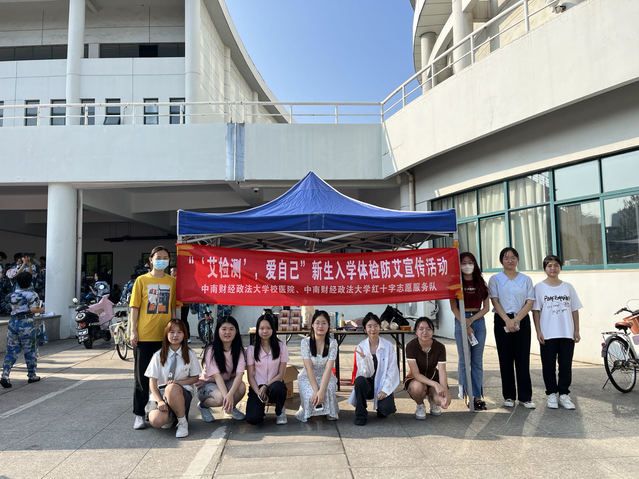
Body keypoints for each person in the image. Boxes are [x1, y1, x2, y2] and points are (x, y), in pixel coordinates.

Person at [130, 246, 179, 430]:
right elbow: (134, 308)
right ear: (151, 259)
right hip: (144, 337)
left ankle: (164, 412)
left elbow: (173, 307)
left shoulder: (171, 281)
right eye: (158, 257)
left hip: (165, 337)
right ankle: (139, 414)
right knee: (142, 377)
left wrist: (176, 331)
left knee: (165, 377)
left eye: (165, 257)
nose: (162, 260)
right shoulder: (141, 280)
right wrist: (133, 331)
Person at [489, 246, 536, 409]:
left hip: (521, 319)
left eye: (513, 257)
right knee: (505, 359)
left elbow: (530, 302)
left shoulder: (525, 279)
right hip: (502, 319)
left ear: (518, 260)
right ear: (501, 261)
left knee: (523, 358)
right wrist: (507, 320)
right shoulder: (495, 279)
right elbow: (495, 300)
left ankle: (525, 397)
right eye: (506, 257)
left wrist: (516, 319)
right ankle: (508, 396)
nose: (510, 260)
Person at [532, 255, 582, 410]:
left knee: (565, 365)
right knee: (548, 365)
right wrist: (538, 331)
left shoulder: (568, 287)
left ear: (560, 268)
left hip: (567, 332)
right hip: (547, 333)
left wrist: (576, 330)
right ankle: (551, 394)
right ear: (545, 268)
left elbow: (574, 309)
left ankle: (564, 394)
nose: (553, 268)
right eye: (549, 266)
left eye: (556, 265)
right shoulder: (539, 288)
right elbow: (536, 311)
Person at [145, 319, 201, 438]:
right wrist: (160, 401)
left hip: (181, 392)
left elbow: (195, 378)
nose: (175, 335)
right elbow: (152, 383)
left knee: (171, 388)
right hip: (161, 393)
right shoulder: (158, 355)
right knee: (156, 421)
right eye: (172, 332)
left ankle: (182, 423)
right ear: (166, 334)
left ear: (184, 334)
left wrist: (178, 383)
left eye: (179, 332)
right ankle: (171, 417)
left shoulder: (190, 354)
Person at [449, 252, 490, 411]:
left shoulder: (481, 282)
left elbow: (486, 308)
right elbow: (453, 307)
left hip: (478, 320)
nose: (467, 265)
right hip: (461, 318)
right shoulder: (455, 283)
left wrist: (471, 321)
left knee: (477, 360)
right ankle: (467, 393)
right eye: (464, 262)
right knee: (464, 360)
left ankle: (477, 395)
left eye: (470, 262)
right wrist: (464, 323)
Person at [348, 312, 399, 425]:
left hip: (382, 384)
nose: (373, 329)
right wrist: (365, 359)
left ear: (380, 327)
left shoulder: (388, 346)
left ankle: (384, 404)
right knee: (359, 381)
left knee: (385, 410)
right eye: (369, 326)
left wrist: (385, 390)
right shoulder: (361, 347)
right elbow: (364, 373)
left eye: (376, 326)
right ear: (365, 329)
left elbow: (392, 370)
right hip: (368, 385)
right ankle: (361, 414)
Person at [197, 315, 247, 422]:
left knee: (241, 387)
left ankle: (231, 407)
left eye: (231, 329)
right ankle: (203, 406)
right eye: (224, 329)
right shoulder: (211, 350)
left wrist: (230, 395)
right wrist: (226, 396)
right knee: (220, 398)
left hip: (226, 382)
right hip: (207, 385)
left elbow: (239, 375)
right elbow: (217, 376)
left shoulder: (239, 350)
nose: (227, 332)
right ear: (218, 331)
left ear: (236, 331)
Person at [1, 271, 44, 388]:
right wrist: (41, 309)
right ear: (30, 282)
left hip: (13, 323)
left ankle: (5, 375)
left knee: (11, 351)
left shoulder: (13, 295)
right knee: (30, 350)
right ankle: (32, 375)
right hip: (26, 324)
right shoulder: (32, 294)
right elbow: (34, 309)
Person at [245, 313, 289, 425]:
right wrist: (259, 392)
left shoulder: (281, 347)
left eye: (268, 328)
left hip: (274, 385)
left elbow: (281, 375)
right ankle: (260, 408)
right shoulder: (251, 349)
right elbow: (250, 376)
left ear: (273, 329)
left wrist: (266, 386)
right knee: (253, 419)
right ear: (257, 330)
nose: (265, 331)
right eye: (262, 328)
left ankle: (280, 410)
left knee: (279, 388)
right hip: (257, 387)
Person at [296, 310, 339, 422]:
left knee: (328, 390)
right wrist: (316, 391)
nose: (320, 326)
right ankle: (308, 411)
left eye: (324, 323)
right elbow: (309, 368)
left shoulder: (333, 343)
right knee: (311, 394)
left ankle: (329, 411)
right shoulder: (305, 343)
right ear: (312, 325)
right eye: (317, 323)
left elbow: (329, 368)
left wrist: (322, 391)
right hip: (308, 376)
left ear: (328, 325)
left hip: (326, 376)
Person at [405, 317, 451, 419]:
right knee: (417, 388)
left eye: (428, 329)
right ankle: (420, 405)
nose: (425, 332)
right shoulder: (411, 346)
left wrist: (445, 392)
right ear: (416, 331)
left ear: (433, 331)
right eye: (421, 329)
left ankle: (433, 400)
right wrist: (435, 384)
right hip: (416, 379)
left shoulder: (440, 347)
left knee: (443, 399)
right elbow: (416, 374)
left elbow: (442, 371)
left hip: (434, 376)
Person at [170, 266, 191, 341]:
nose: (172, 272)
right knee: (177, 321)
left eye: (173, 271)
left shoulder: (181, 280)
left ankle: (187, 336)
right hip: (175, 305)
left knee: (183, 320)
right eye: (171, 271)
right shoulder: (170, 280)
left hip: (183, 304)